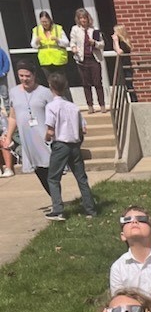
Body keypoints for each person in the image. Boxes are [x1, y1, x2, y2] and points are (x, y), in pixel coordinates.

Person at [43, 72, 97, 222]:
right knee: (81, 178)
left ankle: (58, 210)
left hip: (60, 144)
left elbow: (50, 130)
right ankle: (90, 210)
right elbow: (83, 128)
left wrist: (46, 138)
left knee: (53, 178)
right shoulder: (73, 107)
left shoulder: (51, 106)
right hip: (74, 145)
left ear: (50, 87)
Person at [0, 60, 52, 195]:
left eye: (27, 76)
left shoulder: (45, 92)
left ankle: (57, 200)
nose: (24, 79)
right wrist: (8, 136)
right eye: (21, 75)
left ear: (34, 75)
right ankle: (55, 199)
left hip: (44, 136)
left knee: (50, 168)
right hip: (28, 139)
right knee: (38, 170)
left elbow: (54, 114)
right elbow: (13, 116)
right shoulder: (14, 92)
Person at [69, 8, 106, 113]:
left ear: (88, 18)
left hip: (94, 59)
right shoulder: (75, 29)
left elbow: (102, 44)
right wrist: (73, 48)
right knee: (86, 83)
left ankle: (102, 105)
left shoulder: (94, 29)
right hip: (82, 60)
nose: (83, 20)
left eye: (84, 18)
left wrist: (94, 43)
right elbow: (72, 42)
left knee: (97, 82)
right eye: (80, 18)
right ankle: (90, 106)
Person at [31, 12, 69, 83]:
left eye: (46, 22)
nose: (44, 24)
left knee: (62, 83)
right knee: (51, 83)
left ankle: (64, 94)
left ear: (50, 20)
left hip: (58, 60)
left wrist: (58, 39)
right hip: (45, 61)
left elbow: (66, 43)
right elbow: (33, 45)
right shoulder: (36, 30)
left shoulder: (58, 28)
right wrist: (36, 42)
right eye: (42, 22)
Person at [112, 25, 137, 101]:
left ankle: (134, 100)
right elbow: (116, 49)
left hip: (126, 66)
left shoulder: (124, 43)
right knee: (126, 85)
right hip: (123, 66)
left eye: (115, 32)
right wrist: (114, 42)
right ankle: (130, 100)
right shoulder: (120, 43)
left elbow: (120, 52)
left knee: (129, 85)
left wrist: (116, 41)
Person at [0, 45, 10, 112]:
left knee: (5, 95)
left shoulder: (1, 51)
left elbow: (6, 62)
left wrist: (4, 72)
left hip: (2, 77)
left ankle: (8, 111)